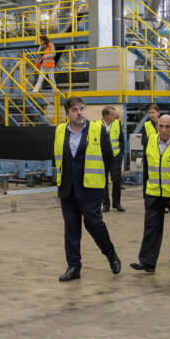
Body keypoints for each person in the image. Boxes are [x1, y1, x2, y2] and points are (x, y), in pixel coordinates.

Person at [53, 96, 122, 282]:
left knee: (94, 225)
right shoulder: (60, 130)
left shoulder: (97, 130)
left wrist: (98, 180)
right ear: (67, 114)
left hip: (90, 188)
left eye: (82, 109)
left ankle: (111, 254)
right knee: (71, 229)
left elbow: (108, 157)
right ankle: (74, 267)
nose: (79, 113)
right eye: (75, 110)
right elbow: (58, 157)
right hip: (67, 188)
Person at [131, 114, 170, 274]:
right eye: (161, 126)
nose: (164, 130)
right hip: (154, 193)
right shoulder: (150, 140)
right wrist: (146, 192)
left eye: (167, 127)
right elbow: (146, 168)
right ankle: (147, 262)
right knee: (151, 228)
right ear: (157, 127)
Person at [100, 106, 125, 213]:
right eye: (113, 115)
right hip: (102, 158)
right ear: (105, 116)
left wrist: (121, 154)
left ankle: (117, 203)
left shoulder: (117, 123)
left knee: (116, 180)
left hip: (116, 157)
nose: (115, 116)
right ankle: (106, 205)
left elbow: (121, 140)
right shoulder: (97, 125)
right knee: (103, 182)